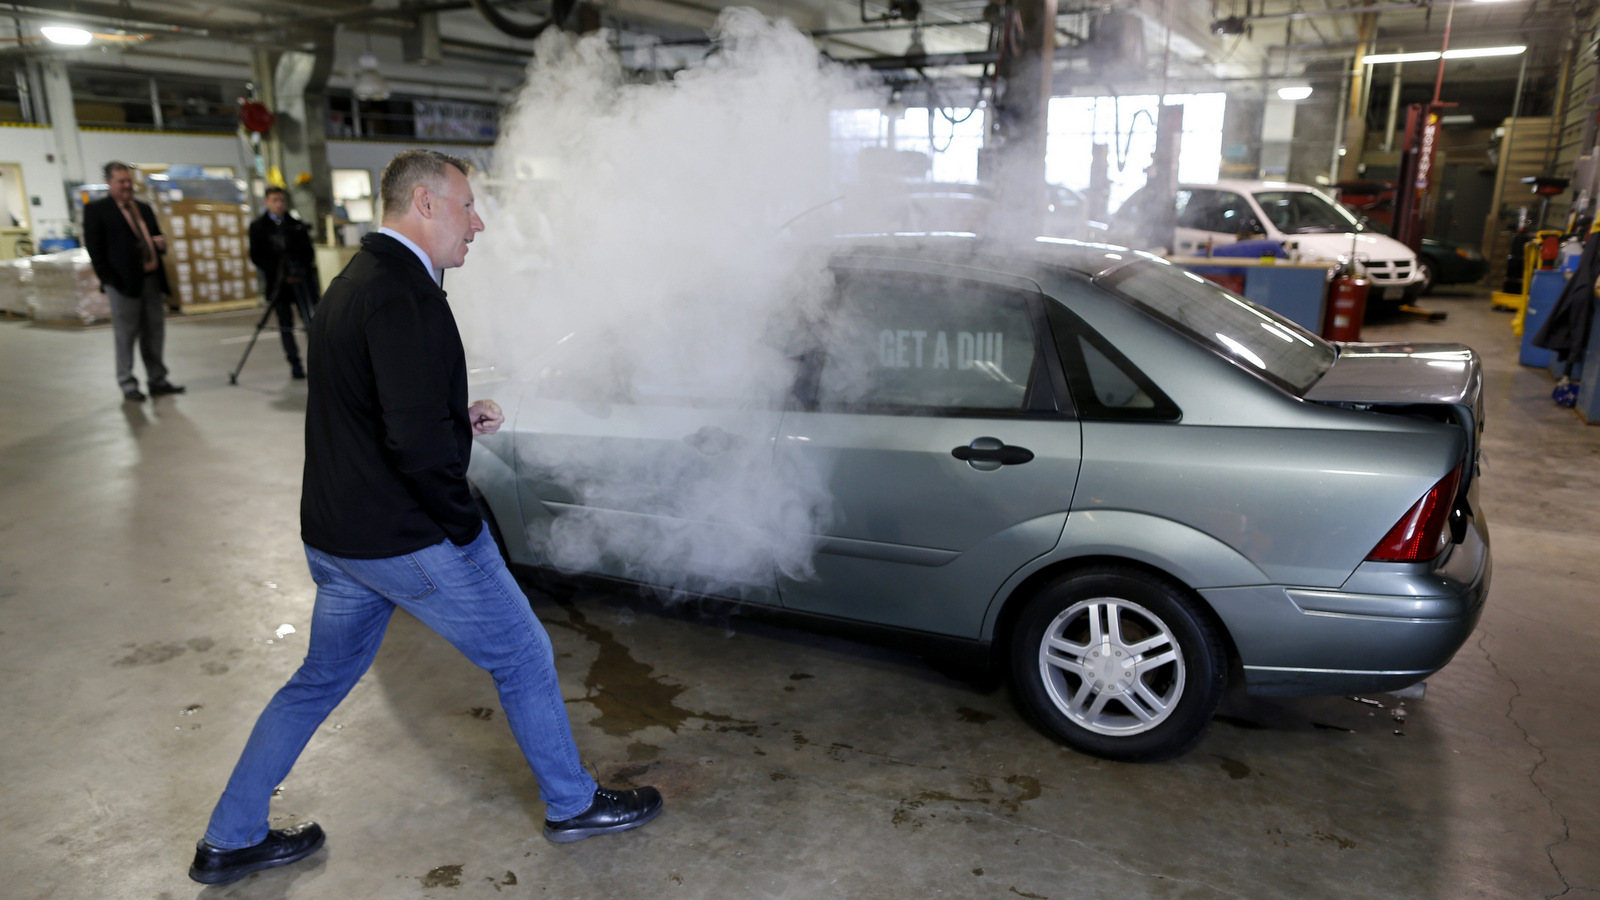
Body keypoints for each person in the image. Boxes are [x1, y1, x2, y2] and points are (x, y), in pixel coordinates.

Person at [189, 149, 662, 886]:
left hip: (339, 538)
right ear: (426, 204)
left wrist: (453, 417)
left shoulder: (355, 282)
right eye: (468, 206)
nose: (478, 223)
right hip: (407, 536)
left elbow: (375, 411)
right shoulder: (406, 295)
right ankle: (573, 805)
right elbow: (410, 445)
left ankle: (230, 837)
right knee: (524, 654)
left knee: (317, 681)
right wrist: (466, 530)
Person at [82, 161, 185, 402]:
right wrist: (109, 281)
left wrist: (160, 245)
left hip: (151, 279)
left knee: (154, 332)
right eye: (121, 182)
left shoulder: (144, 209)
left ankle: (157, 379)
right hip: (123, 284)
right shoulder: (97, 211)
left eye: (129, 181)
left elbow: (156, 237)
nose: (127, 186)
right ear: (109, 183)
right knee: (126, 334)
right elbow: (95, 251)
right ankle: (127, 383)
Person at [247, 186, 320, 379]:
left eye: (281, 200)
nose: (279, 204)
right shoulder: (258, 227)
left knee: (311, 322)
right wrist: (279, 271)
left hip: (301, 282)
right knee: (285, 323)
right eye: (274, 200)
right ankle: (294, 363)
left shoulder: (295, 225)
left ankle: (318, 363)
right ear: (266, 202)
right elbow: (256, 255)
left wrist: (298, 270)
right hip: (278, 284)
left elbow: (308, 252)